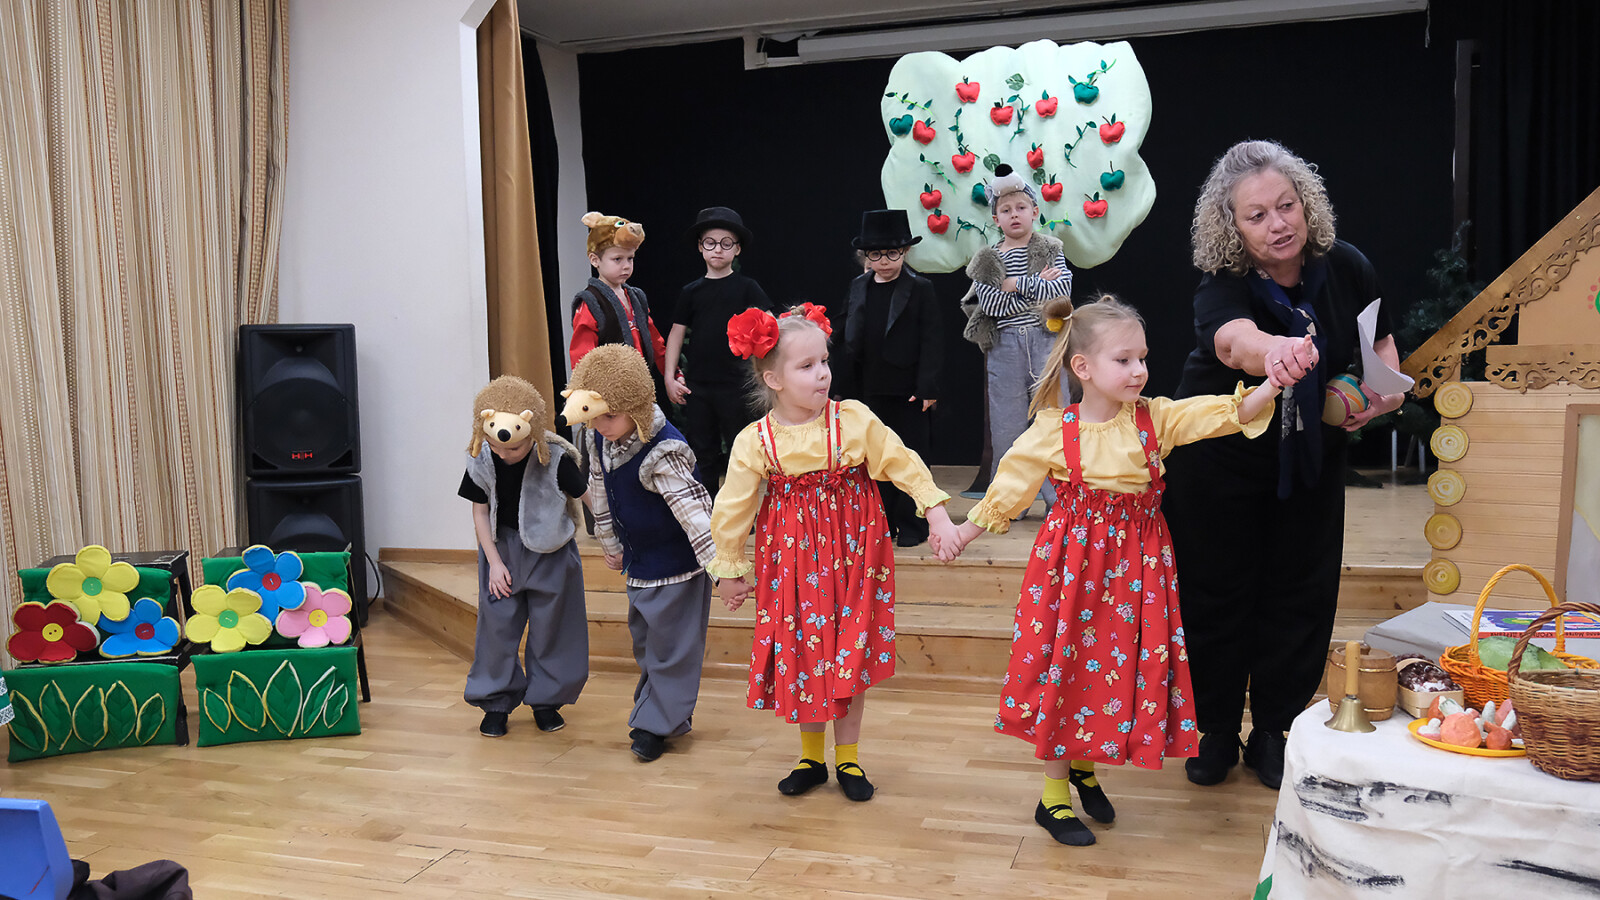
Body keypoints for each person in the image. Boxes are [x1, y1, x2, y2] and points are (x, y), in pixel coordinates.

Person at [946, 294, 1287, 846]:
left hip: (1136, 572)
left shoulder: (1155, 418)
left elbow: (1224, 413)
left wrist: (1273, 382)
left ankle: (1084, 769)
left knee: (1105, 670)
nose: (1139, 370)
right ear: (1083, 367)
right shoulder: (1055, 429)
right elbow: (1008, 488)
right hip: (1072, 572)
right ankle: (1052, 797)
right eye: (1124, 360)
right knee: (1066, 669)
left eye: (1142, 358)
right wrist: (962, 533)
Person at [1162, 140, 1405, 791]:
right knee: (1215, 597)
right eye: (1257, 215)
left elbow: (1381, 343)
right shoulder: (1224, 284)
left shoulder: (1348, 267)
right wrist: (1275, 351)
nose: (1278, 223)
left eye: (1286, 205)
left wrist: (1377, 394)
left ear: (1306, 203)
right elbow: (1233, 342)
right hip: (1217, 463)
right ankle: (1214, 730)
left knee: (1300, 594)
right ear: (1233, 227)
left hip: (1310, 460)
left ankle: (1273, 731)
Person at [709, 303, 960, 801]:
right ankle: (811, 757)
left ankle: (848, 759)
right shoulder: (756, 440)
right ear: (773, 379)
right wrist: (730, 568)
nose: (822, 374)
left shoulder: (853, 420)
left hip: (854, 554)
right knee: (805, 652)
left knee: (849, 654)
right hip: (793, 560)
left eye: (824, 361)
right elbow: (732, 507)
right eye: (806, 366)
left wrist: (935, 512)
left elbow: (901, 461)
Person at [562, 345, 716, 762]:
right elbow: (599, 491)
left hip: (678, 567)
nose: (601, 425)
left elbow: (696, 515)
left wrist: (724, 570)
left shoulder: (663, 451)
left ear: (636, 406)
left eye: (610, 416)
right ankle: (664, 714)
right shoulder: (601, 436)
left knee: (672, 649)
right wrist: (610, 544)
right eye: (595, 417)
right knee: (648, 645)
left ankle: (654, 724)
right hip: (640, 564)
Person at [458, 376, 589, 737]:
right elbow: (480, 511)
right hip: (502, 550)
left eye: (513, 449)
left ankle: (546, 701)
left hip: (552, 552)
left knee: (553, 628)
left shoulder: (556, 458)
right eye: (496, 447)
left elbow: (588, 495)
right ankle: (495, 701)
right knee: (496, 629)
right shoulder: (482, 456)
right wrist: (494, 563)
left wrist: (611, 537)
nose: (504, 454)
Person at [964, 164, 1073, 510]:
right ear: (996, 219)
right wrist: (1037, 285)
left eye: (1021, 207)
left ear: (1034, 212)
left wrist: (1016, 283)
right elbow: (992, 305)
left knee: (1054, 420)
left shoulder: (1050, 249)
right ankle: (1012, 502)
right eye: (1006, 210)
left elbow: (1061, 292)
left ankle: (1061, 502)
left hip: (1046, 341)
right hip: (1006, 346)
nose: (1014, 214)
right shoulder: (988, 259)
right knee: (1007, 428)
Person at [842, 209, 944, 547]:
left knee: (912, 456)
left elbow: (932, 339)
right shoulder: (859, 286)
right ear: (865, 255)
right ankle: (882, 523)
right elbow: (847, 330)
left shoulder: (920, 288)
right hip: (869, 388)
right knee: (875, 458)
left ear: (905, 251)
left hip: (908, 389)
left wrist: (927, 386)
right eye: (875, 254)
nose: (884, 261)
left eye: (892, 253)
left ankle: (914, 524)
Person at [664, 207, 777, 493]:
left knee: (741, 447)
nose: (717, 249)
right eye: (710, 242)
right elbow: (676, 334)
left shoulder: (748, 288)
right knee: (703, 451)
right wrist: (669, 377)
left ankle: (743, 508)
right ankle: (709, 509)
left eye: (726, 243)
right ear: (700, 247)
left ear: (737, 249)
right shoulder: (691, 292)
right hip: (698, 386)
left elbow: (770, 327)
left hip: (736, 384)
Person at [569, 211, 683, 406]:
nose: (626, 266)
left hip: (640, 390)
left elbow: (655, 343)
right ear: (595, 260)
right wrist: (590, 397)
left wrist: (673, 374)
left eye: (630, 258)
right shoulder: (590, 302)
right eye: (617, 259)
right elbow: (582, 357)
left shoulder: (636, 297)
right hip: (607, 397)